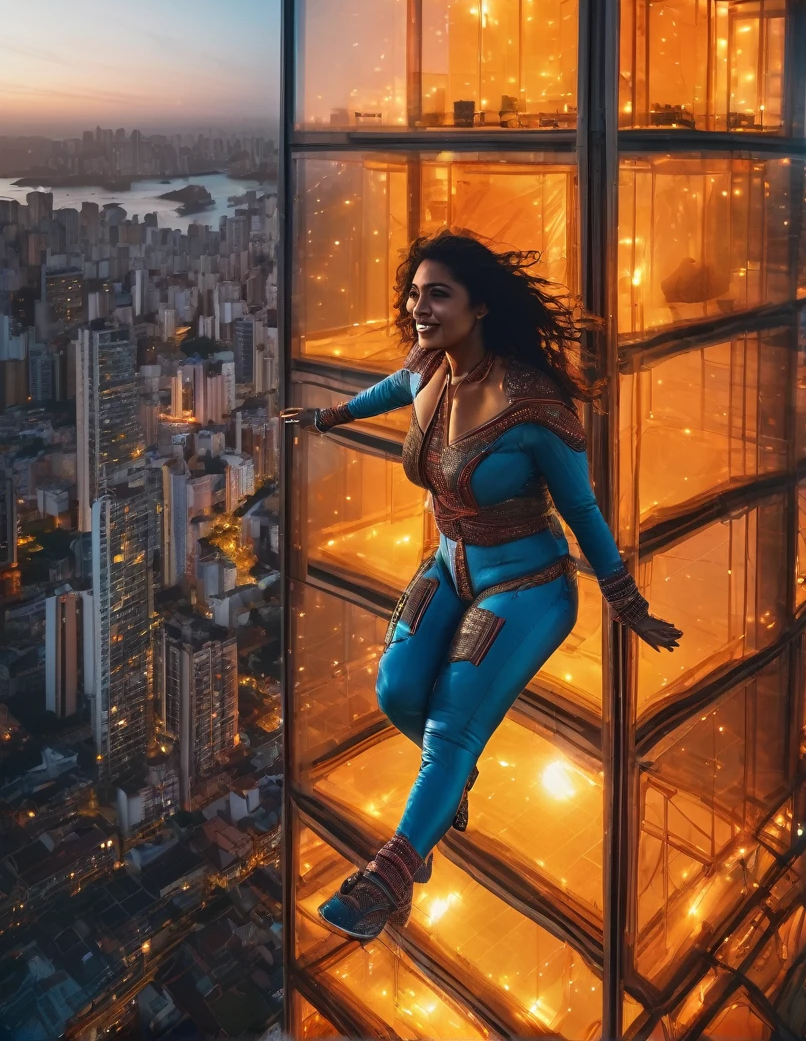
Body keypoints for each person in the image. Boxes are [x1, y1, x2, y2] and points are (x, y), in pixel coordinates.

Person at [283, 231, 681, 943]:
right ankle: (452, 782)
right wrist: (327, 417)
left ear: (480, 308)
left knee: (451, 724)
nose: (419, 309)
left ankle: (391, 875)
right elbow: (392, 388)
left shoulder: (534, 404)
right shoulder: (430, 370)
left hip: (527, 585)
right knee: (398, 692)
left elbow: (583, 510)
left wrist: (626, 600)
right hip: (448, 564)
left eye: (438, 294)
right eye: (415, 294)